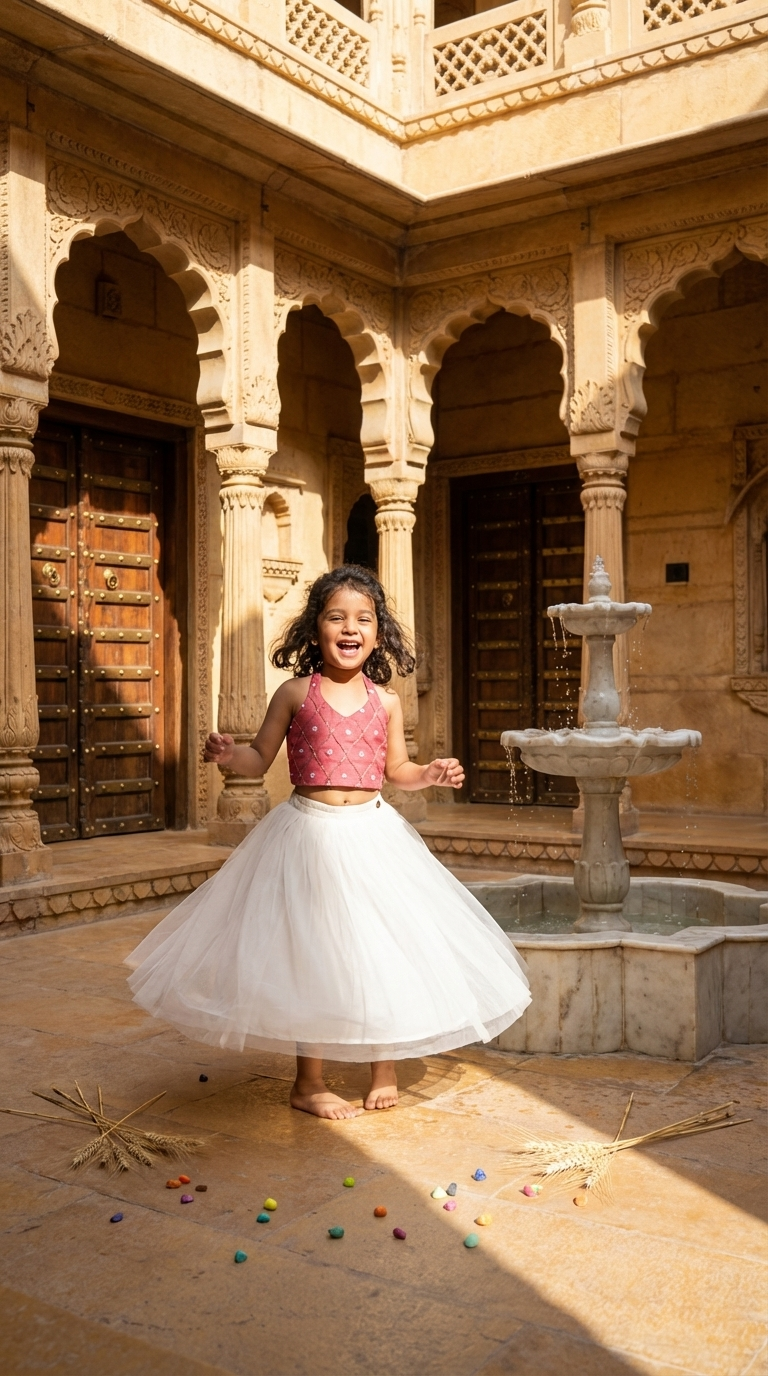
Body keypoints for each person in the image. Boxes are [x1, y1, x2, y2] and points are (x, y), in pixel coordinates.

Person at [126, 565, 530, 1120]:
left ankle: (384, 1068)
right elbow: (258, 758)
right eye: (336, 617)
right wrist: (227, 755)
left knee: (383, 946)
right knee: (309, 952)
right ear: (315, 628)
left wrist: (429, 773)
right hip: (308, 833)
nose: (350, 628)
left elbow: (397, 770)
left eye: (364, 619)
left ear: (379, 634)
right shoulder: (295, 693)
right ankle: (308, 1082)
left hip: (373, 836)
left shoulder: (386, 701)